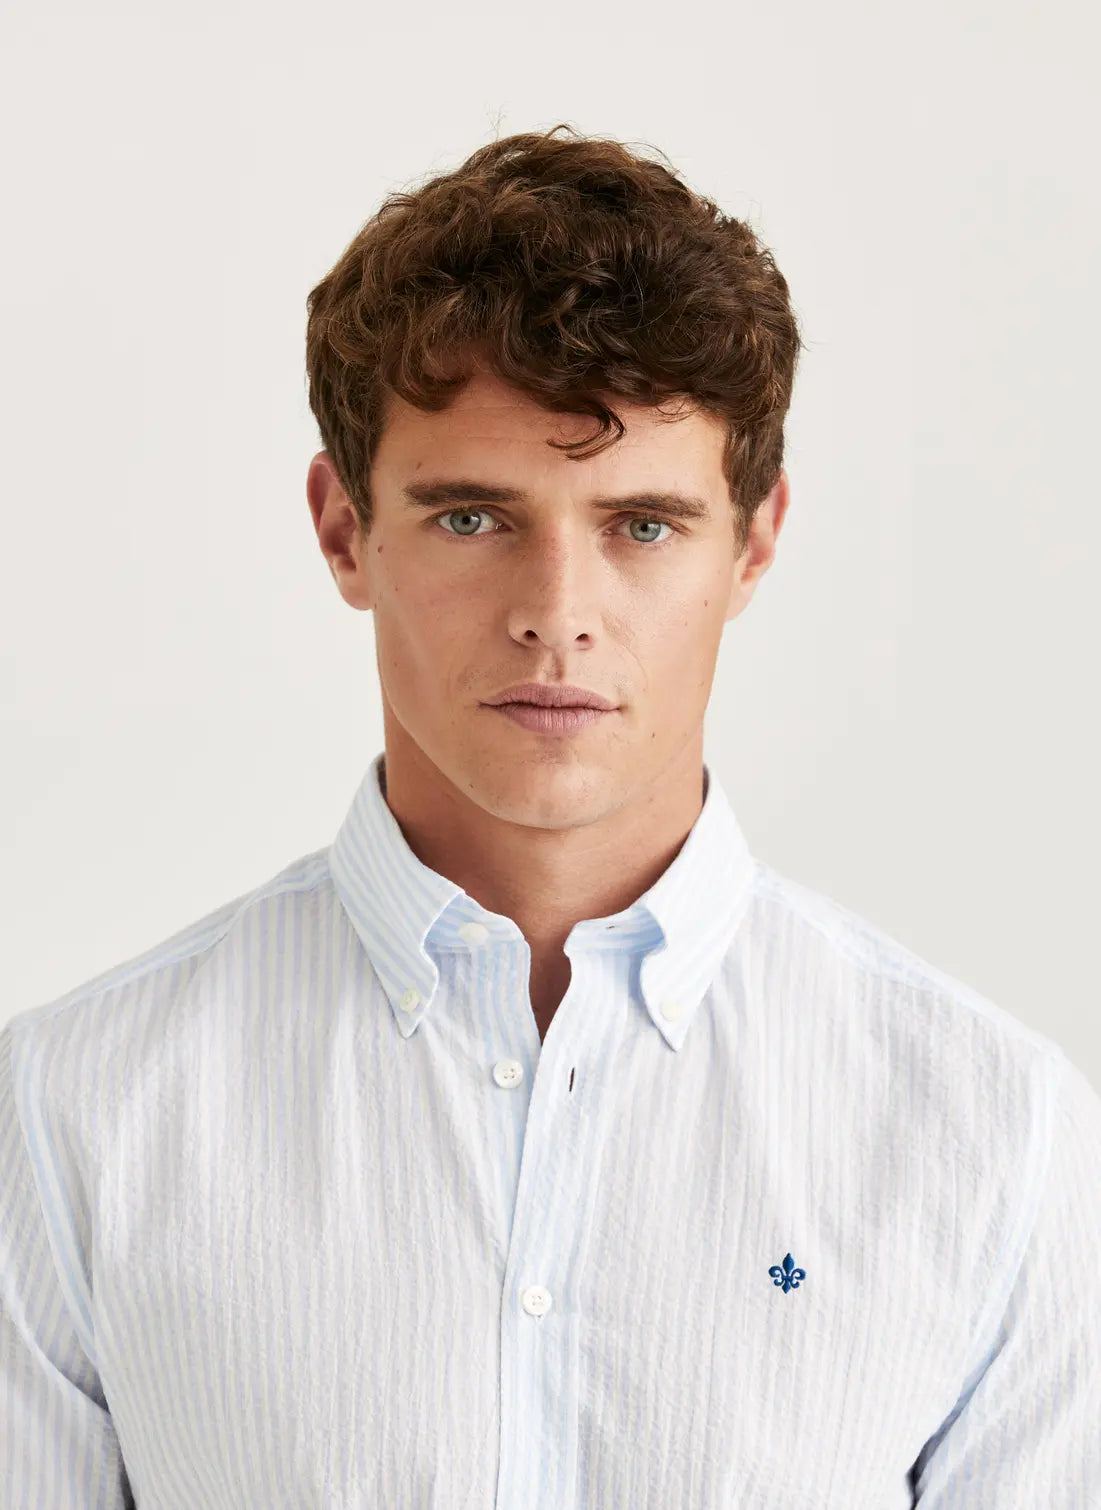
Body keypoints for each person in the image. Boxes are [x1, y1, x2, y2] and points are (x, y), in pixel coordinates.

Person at [2, 122, 1099, 1509]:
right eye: (473, 519)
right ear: (343, 529)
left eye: (642, 525)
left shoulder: (992, 1136)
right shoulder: (69, 1120)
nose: (556, 614)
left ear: (753, 542)